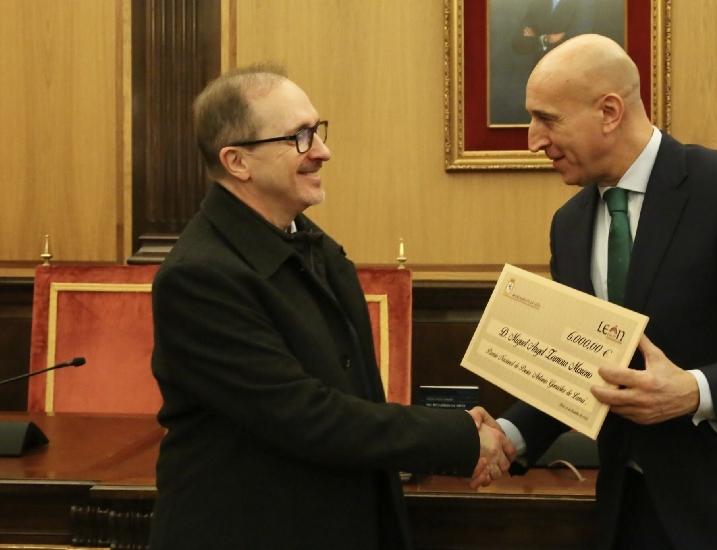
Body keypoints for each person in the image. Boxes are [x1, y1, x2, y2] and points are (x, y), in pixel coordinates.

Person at [495, 35, 717, 549]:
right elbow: (583, 365)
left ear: (609, 111)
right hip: (631, 515)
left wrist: (695, 392)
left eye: (547, 119)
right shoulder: (569, 225)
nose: (533, 139)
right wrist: (508, 436)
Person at [149, 64, 512, 550]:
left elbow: (355, 400)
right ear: (238, 162)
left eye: (317, 130)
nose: (322, 150)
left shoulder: (315, 247)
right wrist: (458, 437)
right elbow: (307, 416)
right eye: (299, 137)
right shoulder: (199, 277)